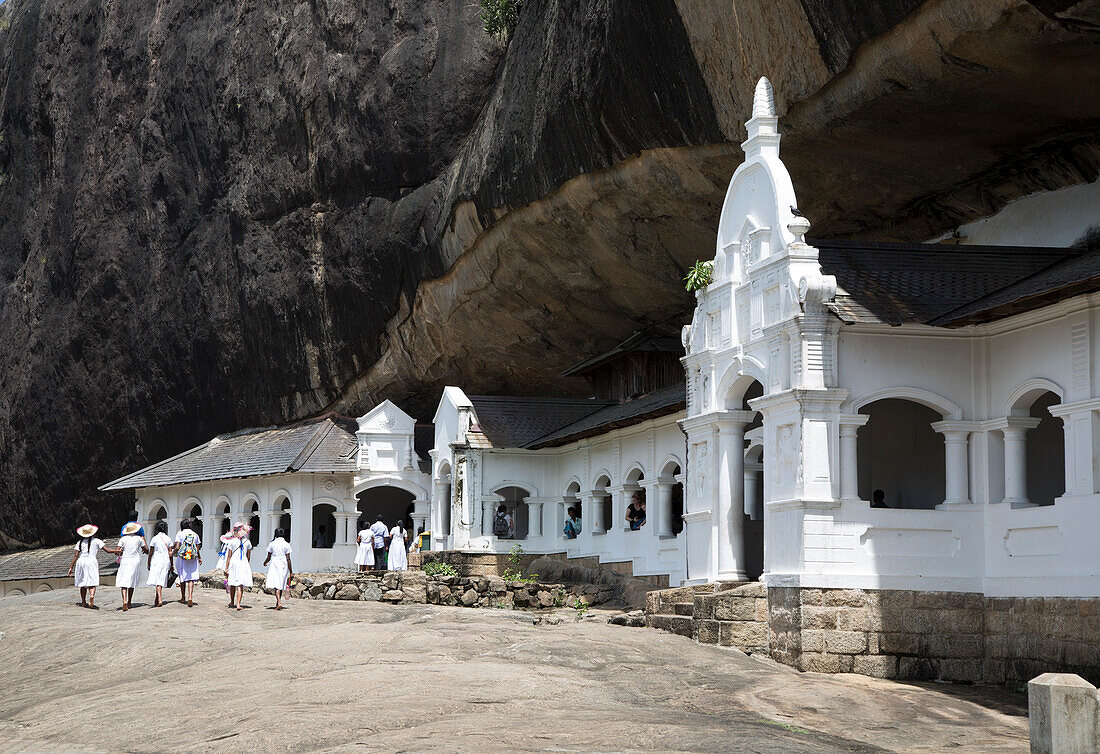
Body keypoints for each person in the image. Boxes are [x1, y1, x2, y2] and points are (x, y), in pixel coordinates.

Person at [66, 524, 120, 609]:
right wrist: (117, 551)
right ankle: (91, 595)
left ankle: (83, 601)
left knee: (82, 582)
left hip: (81, 561)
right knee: (92, 581)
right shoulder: (97, 541)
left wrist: (71, 567)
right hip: (91, 561)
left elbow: (76, 555)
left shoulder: (79, 542)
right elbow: (107, 550)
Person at [115, 521, 149, 611]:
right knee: (132, 581)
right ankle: (129, 602)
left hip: (125, 560)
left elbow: (117, 551)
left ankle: (124, 600)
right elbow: (145, 549)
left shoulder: (122, 539)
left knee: (124, 582)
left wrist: (121, 551)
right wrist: (146, 550)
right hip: (135, 560)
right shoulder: (139, 539)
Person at [173, 517, 202, 607]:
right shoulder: (195, 534)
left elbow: (177, 546)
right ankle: (190, 596)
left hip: (182, 558)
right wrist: (199, 558)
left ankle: (183, 597)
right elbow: (197, 548)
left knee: (182, 576)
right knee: (191, 578)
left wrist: (172, 553)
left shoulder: (180, 533)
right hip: (192, 558)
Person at [263, 528, 293, 610]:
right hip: (284, 564)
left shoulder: (272, 544)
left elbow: (268, 556)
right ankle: (278, 602)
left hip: (275, 563)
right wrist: (291, 571)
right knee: (281, 583)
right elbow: (288, 559)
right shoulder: (287, 544)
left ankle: (279, 602)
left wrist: (265, 562)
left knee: (276, 585)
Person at [225, 522, 253, 611]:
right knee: (240, 584)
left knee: (233, 582)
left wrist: (226, 567)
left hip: (234, 561)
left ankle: (232, 601)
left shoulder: (232, 541)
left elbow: (229, 556)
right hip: (243, 562)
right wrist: (246, 564)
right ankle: (238, 604)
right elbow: (248, 556)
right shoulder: (247, 542)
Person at [145, 520, 173, 607]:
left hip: (156, 560)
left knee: (158, 581)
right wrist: (172, 564)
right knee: (161, 579)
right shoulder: (168, 539)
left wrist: (148, 562)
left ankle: (159, 599)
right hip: (165, 560)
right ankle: (157, 599)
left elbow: (151, 552)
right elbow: (170, 553)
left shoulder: (155, 538)